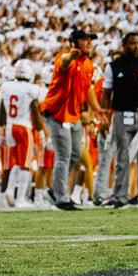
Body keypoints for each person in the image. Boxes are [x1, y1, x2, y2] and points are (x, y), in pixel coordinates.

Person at [96, 32, 138, 207]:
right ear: (124, 44)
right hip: (120, 114)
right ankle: (120, 196)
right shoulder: (113, 66)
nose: (135, 46)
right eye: (131, 43)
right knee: (122, 157)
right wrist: (104, 118)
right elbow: (106, 94)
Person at [40, 26, 102, 210]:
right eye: (85, 39)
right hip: (57, 113)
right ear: (74, 43)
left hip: (73, 115)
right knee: (64, 155)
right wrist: (71, 55)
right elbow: (64, 63)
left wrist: (96, 109)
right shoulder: (65, 57)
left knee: (75, 154)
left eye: (91, 39)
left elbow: (88, 88)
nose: (90, 42)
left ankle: (54, 191)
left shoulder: (89, 64)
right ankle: (61, 198)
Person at [0, 60, 47, 208]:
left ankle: (9, 191)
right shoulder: (31, 88)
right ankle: (21, 199)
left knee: (14, 162)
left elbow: (3, 109)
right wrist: (41, 131)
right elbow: (36, 113)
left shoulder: (7, 87)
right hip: (23, 127)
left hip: (9, 126)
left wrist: (1, 127)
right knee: (25, 164)